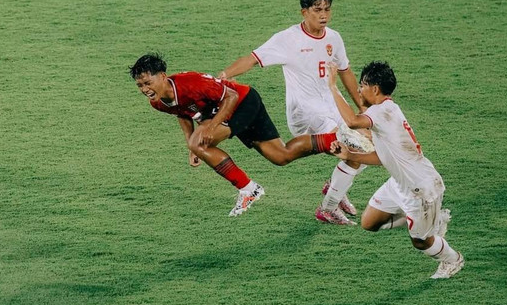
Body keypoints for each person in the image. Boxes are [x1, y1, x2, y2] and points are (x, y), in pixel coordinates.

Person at [218, 0, 372, 225]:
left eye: (327, 10)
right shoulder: (288, 39)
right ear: (304, 12)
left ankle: (335, 189)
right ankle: (328, 207)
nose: (323, 15)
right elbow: (252, 59)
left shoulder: (334, 38)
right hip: (306, 111)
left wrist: (362, 106)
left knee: (370, 143)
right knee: (355, 147)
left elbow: (345, 71)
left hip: (333, 104)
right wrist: (223, 76)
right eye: (317, 10)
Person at [130, 53, 350, 217]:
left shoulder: (191, 83)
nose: (144, 89)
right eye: (140, 85)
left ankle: (248, 188)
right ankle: (339, 138)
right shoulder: (157, 102)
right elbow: (182, 113)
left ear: (162, 76)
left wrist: (209, 127)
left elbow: (232, 96)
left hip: (243, 102)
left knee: (200, 141)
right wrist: (191, 145)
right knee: (281, 156)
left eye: (148, 82)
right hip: (229, 112)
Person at [327, 60, 464, 279]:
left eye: (362, 85)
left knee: (420, 241)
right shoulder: (386, 111)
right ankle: (423, 220)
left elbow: (352, 121)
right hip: (400, 183)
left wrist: (332, 86)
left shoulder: (383, 112)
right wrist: (349, 155)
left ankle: (452, 259)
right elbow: (383, 158)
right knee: (369, 223)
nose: (359, 90)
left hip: (421, 190)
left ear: (375, 89)